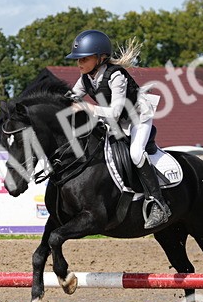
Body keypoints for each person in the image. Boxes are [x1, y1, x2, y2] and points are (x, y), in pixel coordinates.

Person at [65, 29, 171, 229]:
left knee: (136, 153)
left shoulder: (116, 76)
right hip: (117, 122)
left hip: (138, 118)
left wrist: (87, 107)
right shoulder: (86, 77)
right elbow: (70, 98)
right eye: (78, 59)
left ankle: (159, 203)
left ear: (100, 57)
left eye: (84, 59)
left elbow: (114, 112)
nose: (79, 63)